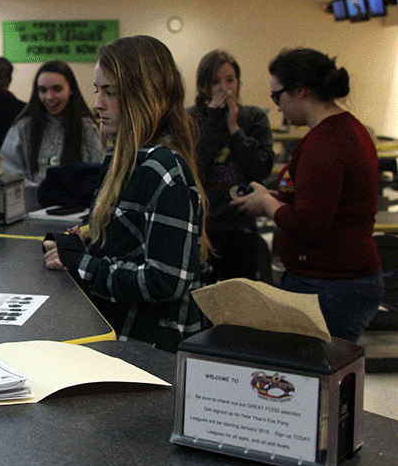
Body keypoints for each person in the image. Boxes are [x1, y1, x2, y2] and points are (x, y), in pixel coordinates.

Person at [43, 35, 210, 352]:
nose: (97, 104)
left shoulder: (164, 171)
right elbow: (124, 242)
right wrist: (79, 244)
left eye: (110, 92)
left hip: (148, 348)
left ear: (143, 96)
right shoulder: (124, 159)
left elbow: (166, 281)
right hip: (115, 332)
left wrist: (84, 265)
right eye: (97, 91)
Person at [231, 48, 382, 342]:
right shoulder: (345, 129)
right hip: (339, 279)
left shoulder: (325, 144)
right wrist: (274, 200)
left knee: (311, 381)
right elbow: (324, 202)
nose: (276, 107)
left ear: (300, 91)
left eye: (277, 96)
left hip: (330, 283)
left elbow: (310, 224)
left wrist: (268, 203)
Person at [188, 50, 274, 282]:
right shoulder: (190, 119)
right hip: (201, 224)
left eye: (230, 80)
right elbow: (192, 168)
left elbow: (260, 169)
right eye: (215, 82)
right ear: (203, 86)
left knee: (237, 297)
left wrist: (234, 128)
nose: (224, 88)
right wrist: (214, 124)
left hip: (239, 223)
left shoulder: (253, 118)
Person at [0, 59, 103, 184]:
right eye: (43, 90)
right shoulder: (23, 128)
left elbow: (99, 175)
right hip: (31, 202)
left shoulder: (88, 130)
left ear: (71, 89)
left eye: (57, 89)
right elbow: (8, 171)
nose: (49, 97)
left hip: (77, 203)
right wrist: (41, 193)